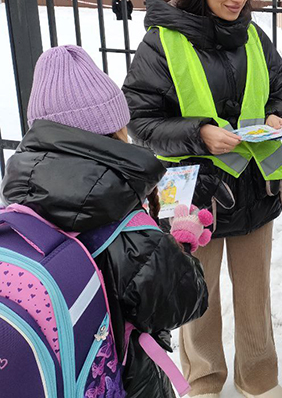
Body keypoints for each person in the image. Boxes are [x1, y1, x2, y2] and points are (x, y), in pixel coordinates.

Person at [122, 0, 282, 398]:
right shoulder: (162, 44)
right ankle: (203, 380)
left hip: (255, 187)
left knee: (255, 293)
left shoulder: (256, 37)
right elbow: (139, 120)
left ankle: (259, 380)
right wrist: (200, 134)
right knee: (200, 293)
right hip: (193, 196)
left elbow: (275, 92)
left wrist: (276, 116)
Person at [0, 45, 209, 398]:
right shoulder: (125, 226)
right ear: (114, 129)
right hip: (124, 382)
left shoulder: (19, 195)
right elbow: (184, 300)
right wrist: (178, 245)